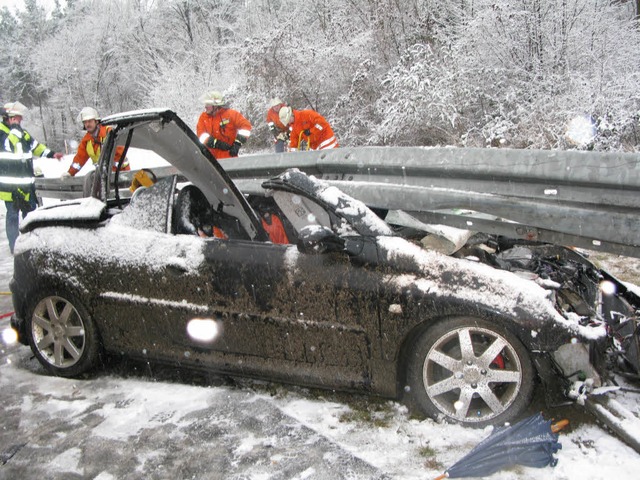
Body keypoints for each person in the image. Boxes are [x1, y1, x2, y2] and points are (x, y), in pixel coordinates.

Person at [1, 101, 64, 253]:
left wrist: (51, 154)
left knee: (30, 215)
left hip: (26, 185)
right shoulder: (3, 132)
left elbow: (35, 146)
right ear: (8, 117)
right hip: (10, 187)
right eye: (17, 118)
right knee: (12, 217)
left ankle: (30, 245)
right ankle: (15, 247)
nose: (20, 120)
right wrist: (15, 129)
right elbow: (10, 145)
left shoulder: (21, 133)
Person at [63, 107, 130, 177]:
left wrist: (112, 174)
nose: (87, 124)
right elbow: (79, 159)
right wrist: (70, 173)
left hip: (121, 174)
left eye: (90, 121)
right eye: (85, 122)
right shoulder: (86, 140)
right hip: (103, 177)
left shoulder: (109, 133)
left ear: (96, 121)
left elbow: (120, 156)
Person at [197, 91, 252, 159]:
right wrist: (216, 143)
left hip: (229, 157)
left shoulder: (231, 114)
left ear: (216, 105)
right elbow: (201, 135)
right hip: (210, 159)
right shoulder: (203, 118)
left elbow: (246, 127)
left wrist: (237, 144)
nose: (205, 106)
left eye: (208, 104)